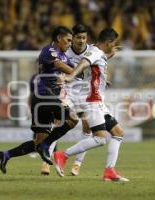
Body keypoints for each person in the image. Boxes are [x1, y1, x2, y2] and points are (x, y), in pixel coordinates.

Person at [0, 26, 79, 174]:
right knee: (73, 119)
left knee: (38, 141)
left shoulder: (65, 56)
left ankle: (5, 155)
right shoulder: (49, 50)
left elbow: (78, 69)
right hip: (44, 95)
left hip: (46, 99)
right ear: (59, 38)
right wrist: (74, 74)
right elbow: (60, 65)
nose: (70, 44)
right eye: (68, 40)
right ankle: (46, 146)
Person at [52, 27, 129, 182]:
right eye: (113, 43)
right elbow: (83, 63)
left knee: (118, 133)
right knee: (100, 139)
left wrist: (109, 55)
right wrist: (70, 76)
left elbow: (94, 65)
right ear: (108, 42)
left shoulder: (96, 51)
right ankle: (62, 155)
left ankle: (109, 171)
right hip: (92, 101)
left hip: (97, 100)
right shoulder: (95, 52)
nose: (114, 45)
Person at [40, 24, 92, 176]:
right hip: (67, 90)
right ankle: (46, 160)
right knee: (58, 120)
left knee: (87, 126)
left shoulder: (91, 51)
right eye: (77, 38)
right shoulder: (64, 49)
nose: (81, 41)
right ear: (72, 38)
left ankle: (77, 164)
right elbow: (57, 64)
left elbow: (99, 65)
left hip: (84, 91)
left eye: (84, 37)